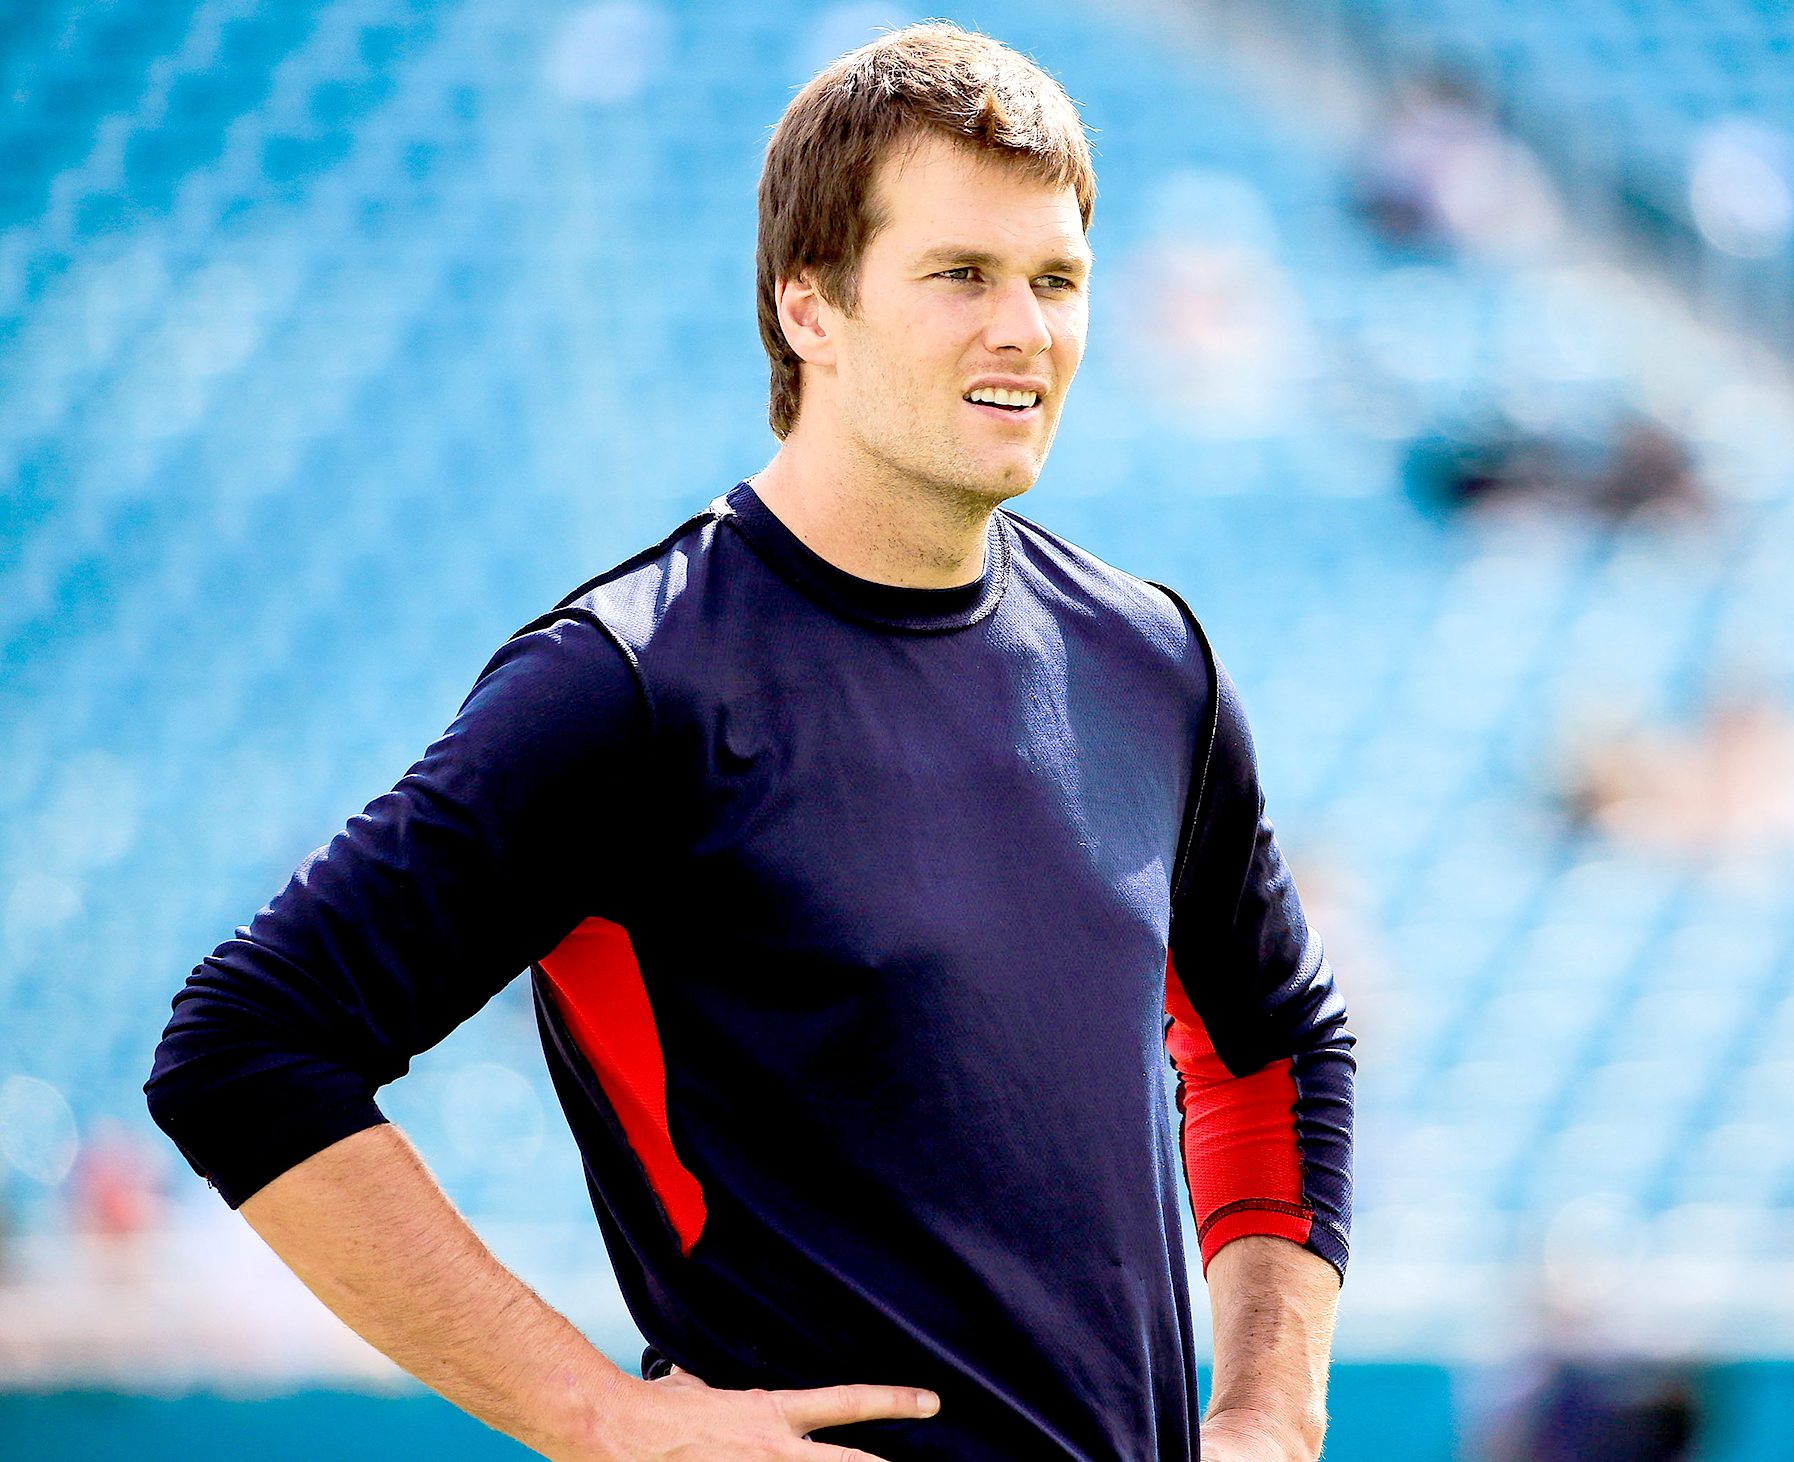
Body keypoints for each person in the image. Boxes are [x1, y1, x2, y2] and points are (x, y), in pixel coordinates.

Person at [146, 24, 1353, 1462]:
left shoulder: (1151, 658)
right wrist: (597, 1415)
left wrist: (1271, 1412)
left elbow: (1276, 1044)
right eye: (960, 274)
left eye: (1056, 280)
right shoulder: (627, 683)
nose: (1024, 328)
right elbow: (244, 1044)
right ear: (809, 308)